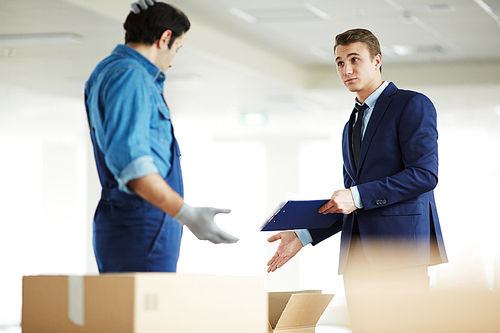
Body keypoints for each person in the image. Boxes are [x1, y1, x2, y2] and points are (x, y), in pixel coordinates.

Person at [267, 28, 447, 332]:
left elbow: (424, 175)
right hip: (358, 258)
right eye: (339, 63)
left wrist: (357, 196)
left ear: (377, 60)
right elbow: (352, 201)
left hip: (400, 252)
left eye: (354, 59)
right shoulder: (351, 124)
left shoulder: (411, 104)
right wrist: (303, 235)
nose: (346, 70)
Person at [85, 0, 238, 274]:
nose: (172, 60)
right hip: (141, 219)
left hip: (140, 218)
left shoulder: (110, 71)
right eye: (176, 49)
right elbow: (134, 165)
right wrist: (186, 214)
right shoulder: (130, 77)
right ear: (165, 37)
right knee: (145, 315)